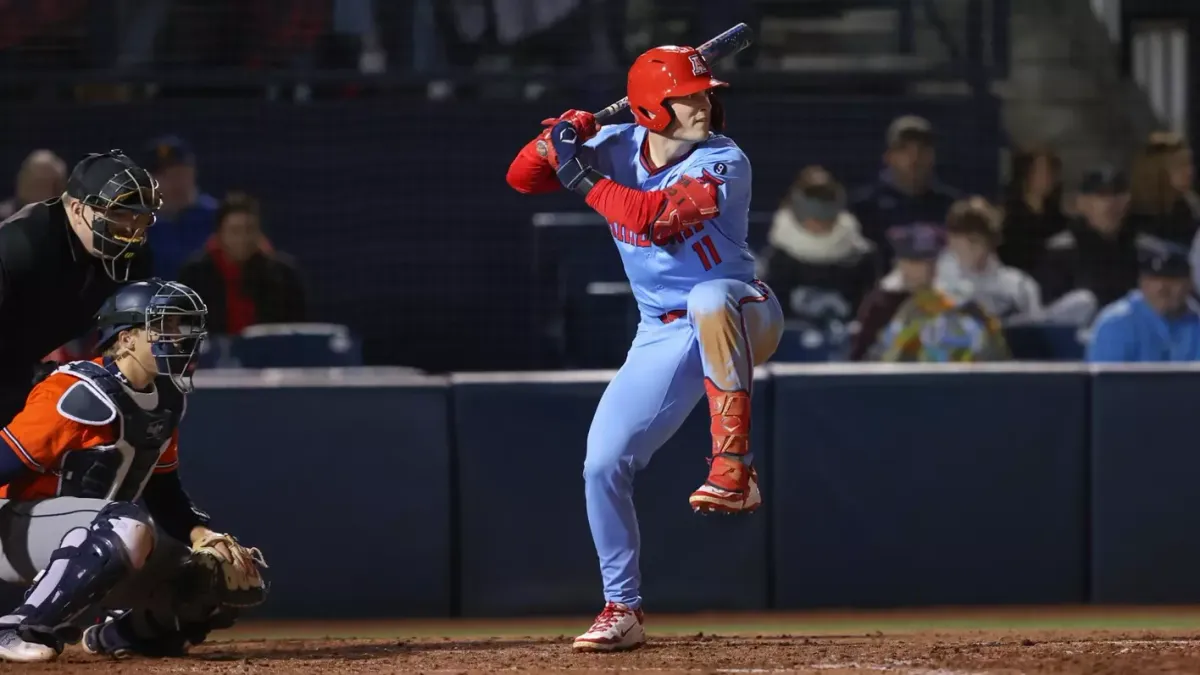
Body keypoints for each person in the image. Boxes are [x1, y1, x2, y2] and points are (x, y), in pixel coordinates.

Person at [506, 44, 783, 652]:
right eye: (687, 96)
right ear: (654, 109)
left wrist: (578, 170)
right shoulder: (616, 144)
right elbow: (521, 177)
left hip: (745, 310)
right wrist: (564, 132)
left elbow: (654, 218)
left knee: (712, 295)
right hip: (661, 331)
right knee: (603, 465)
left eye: (705, 93)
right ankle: (621, 608)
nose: (703, 105)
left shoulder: (724, 160)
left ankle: (733, 468)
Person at [0, 279, 268, 662]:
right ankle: (18, 626)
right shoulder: (75, 391)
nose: (179, 337)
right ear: (126, 339)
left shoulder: (165, 399)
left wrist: (201, 533)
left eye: (182, 326)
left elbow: (163, 489)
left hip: (98, 541)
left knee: (218, 569)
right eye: (165, 326)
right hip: (15, 531)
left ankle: (122, 636)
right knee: (126, 524)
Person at [0, 149, 158, 427]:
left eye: (140, 218)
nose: (131, 229)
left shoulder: (134, 259)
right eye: (119, 214)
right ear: (76, 209)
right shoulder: (19, 248)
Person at [1086, 235, 1200, 362]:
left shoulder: (1197, 322)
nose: (1162, 289)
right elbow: (1106, 381)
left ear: (1189, 283)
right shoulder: (1116, 323)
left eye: (1172, 280)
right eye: (1154, 280)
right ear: (1141, 282)